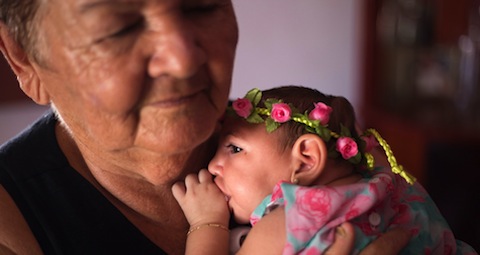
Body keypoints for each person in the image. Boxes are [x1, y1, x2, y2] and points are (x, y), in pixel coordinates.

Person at [0, 0, 412, 254]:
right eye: (117, 28)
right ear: (23, 60)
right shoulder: (13, 224)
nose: (183, 59)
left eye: (202, 5)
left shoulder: (287, 148)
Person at [172, 86, 478, 254]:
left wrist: (207, 223)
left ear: (306, 159)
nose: (213, 165)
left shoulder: (290, 221)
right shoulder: (392, 182)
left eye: (235, 149)